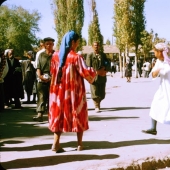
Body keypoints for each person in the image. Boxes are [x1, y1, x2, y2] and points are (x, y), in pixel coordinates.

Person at [48, 30, 106, 152]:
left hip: (58, 93)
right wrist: (97, 72)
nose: (77, 45)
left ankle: (55, 144)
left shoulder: (54, 56)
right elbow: (85, 72)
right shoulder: (76, 57)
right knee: (78, 113)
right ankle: (79, 144)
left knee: (58, 115)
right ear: (72, 42)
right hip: (73, 92)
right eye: (77, 42)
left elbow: (52, 72)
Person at [142, 43, 170, 135]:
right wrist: (157, 70)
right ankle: (153, 128)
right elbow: (153, 74)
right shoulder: (159, 61)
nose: (154, 53)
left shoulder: (167, 62)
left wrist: (158, 70)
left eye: (155, 51)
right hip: (163, 88)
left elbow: (165, 71)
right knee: (155, 104)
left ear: (160, 52)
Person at [32, 37, 55, 122]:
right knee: (41, 97)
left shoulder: (56, 55)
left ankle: (51, 116)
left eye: (51, 44)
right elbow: (38, 67)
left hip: (53, 78)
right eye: (47, 44)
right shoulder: (41, 55)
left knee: (51, 98)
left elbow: (59, 68)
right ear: (44, 45)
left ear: (53, 45)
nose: (49, 45)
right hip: (42, 78)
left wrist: (52, 77)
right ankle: (40, 115)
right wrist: (40, 76)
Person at [86, 41, 109, 112]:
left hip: (102, 76)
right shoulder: (90, 55)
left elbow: (108, 63)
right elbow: (87, 66)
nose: (96, 47)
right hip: (94, 77)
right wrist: (94, 72)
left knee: (102, 94)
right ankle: (97, 106)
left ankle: (98, 102)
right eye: (95, 45)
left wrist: (105, 70)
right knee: (95, 92)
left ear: (99, 47)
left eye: (97, 45)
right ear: (92, 47)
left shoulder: (103, 55)